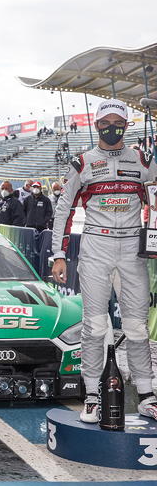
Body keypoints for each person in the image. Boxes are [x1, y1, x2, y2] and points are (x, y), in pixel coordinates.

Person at [52, 98, 157, 423]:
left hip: (131, 249)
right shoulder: (81, 163)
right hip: (95, 247)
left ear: (127, 126)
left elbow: (155, 200)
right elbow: (63, 210)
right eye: (106, 122)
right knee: (95, 325)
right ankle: (93, 397)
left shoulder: (142, 159)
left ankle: (147, 395)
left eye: (118, 122)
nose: (112, 128)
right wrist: (58, 254)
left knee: (137, 326)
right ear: (96, 125)